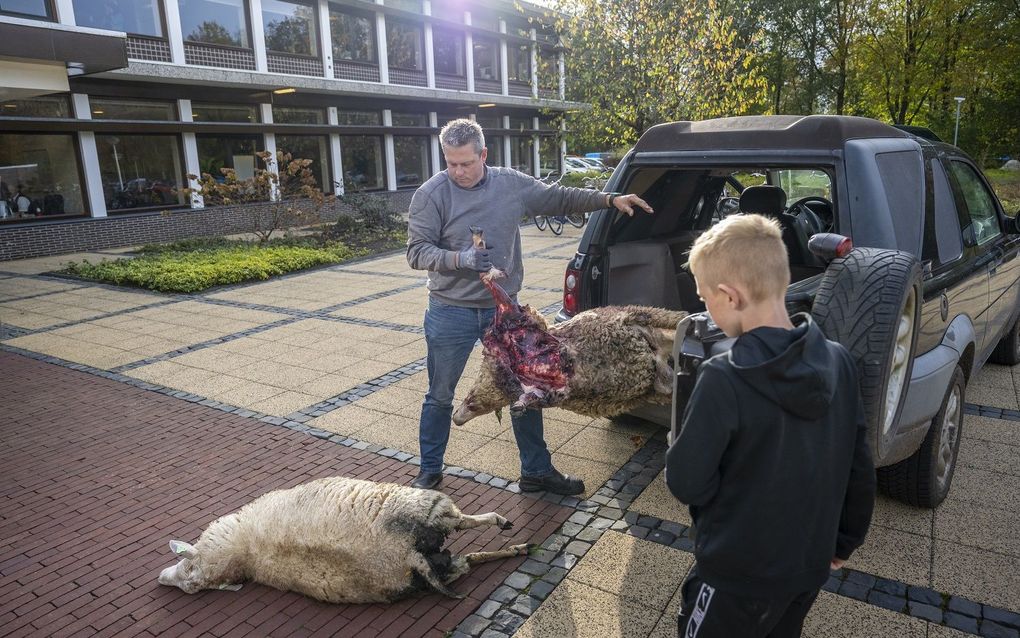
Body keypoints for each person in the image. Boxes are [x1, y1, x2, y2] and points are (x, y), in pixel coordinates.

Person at [406, 118, 653, 493]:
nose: (458, 171)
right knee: (440, 394)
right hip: (449, 311)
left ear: (483, 155)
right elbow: (416, 252)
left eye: (466, 163)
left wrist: (608, 200)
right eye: (450, 163)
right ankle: (429, 471)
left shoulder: (509, 184)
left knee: (527, 389)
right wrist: (460, 260)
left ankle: (536, 472)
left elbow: (560, 198)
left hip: (504, 311)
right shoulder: (431, 194)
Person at [665, 214, 875, 637]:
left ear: (729, 295)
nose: (706, 308)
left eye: (705, 298)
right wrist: (844, 541)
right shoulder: (838, 360)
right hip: (807, 568)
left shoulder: (724, 377)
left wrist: (681, 446)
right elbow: (858, 463)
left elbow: (687, 482)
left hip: (736, 576)